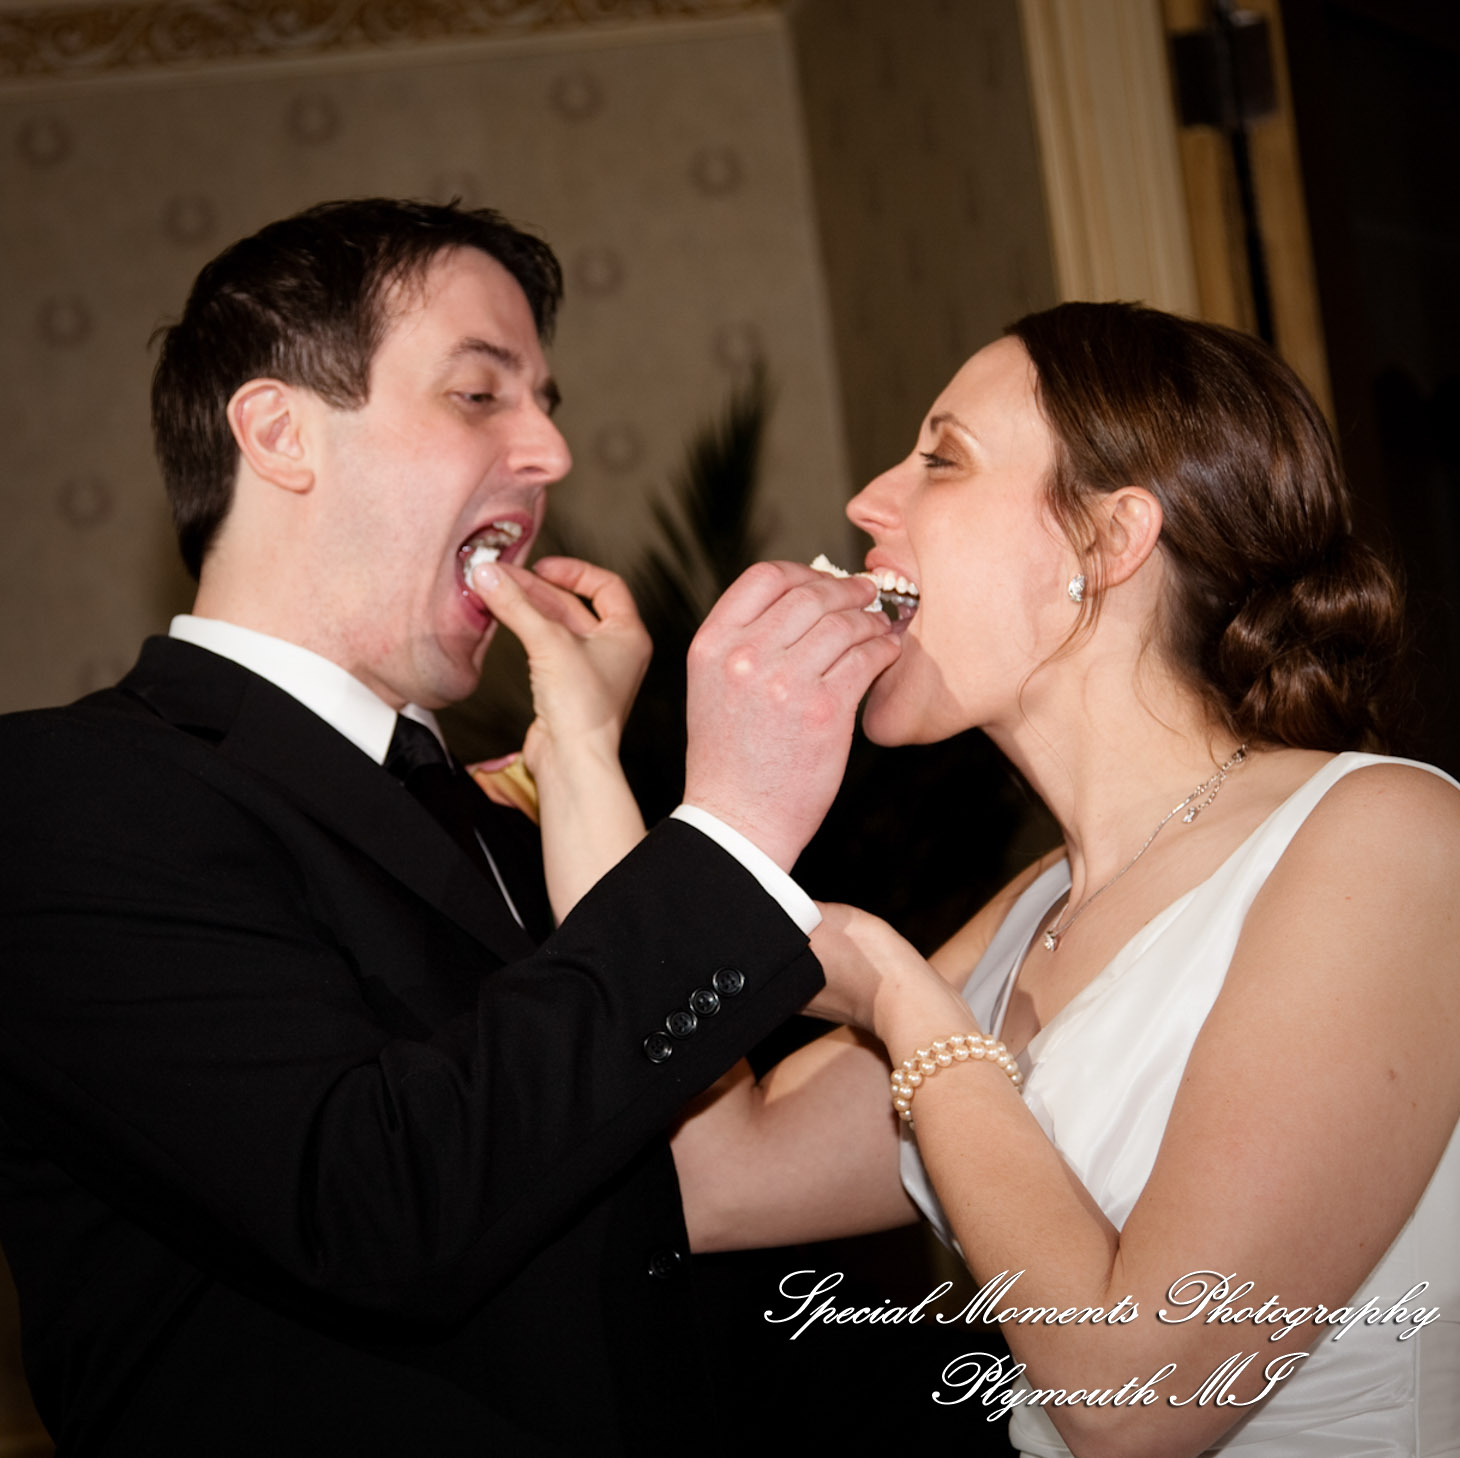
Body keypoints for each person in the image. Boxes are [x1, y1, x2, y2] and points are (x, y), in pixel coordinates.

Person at [0, 198, 901, 1454]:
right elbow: (371, 1205)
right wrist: (738, 824)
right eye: (481, 396)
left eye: (547, 400)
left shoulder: (501, 800)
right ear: (278, 433)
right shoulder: (63, 795)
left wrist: (585, 760)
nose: (550, 452)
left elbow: (672, 1165)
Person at [560, 303, 1460, 1454]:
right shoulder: (1036, 909)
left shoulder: (1386, 836)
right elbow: (711, 1178)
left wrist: (908, 1010)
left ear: (1108, 543)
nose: (866, 501)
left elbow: (1139, 1403)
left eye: (941, 459)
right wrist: (582, 748)